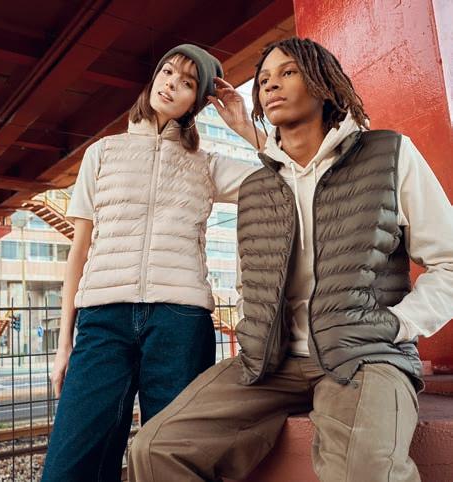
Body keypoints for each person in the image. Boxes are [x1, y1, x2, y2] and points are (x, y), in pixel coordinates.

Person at [128, 37, 453, 482]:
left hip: (363, 356)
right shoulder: (257, 187)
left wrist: (399, 325)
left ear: (323, 84)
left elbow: (449, 261)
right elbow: (250, 283)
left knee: (364, 470)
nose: (270, 85)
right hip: (270, 364)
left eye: (287, 73)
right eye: (263, 79)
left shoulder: (388, 154)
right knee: (155, 448)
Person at [41, 44, 265, 482]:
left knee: (172, 462)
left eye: (187, 83)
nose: (171, 84)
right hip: (103, 319)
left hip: (179, 322)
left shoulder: (207, 165)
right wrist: (64, 342)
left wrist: (243, 126)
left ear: (196, 103)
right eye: (167, 72)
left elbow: (287, 170)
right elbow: (79, 252)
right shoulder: (102, 153)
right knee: (69, 466)